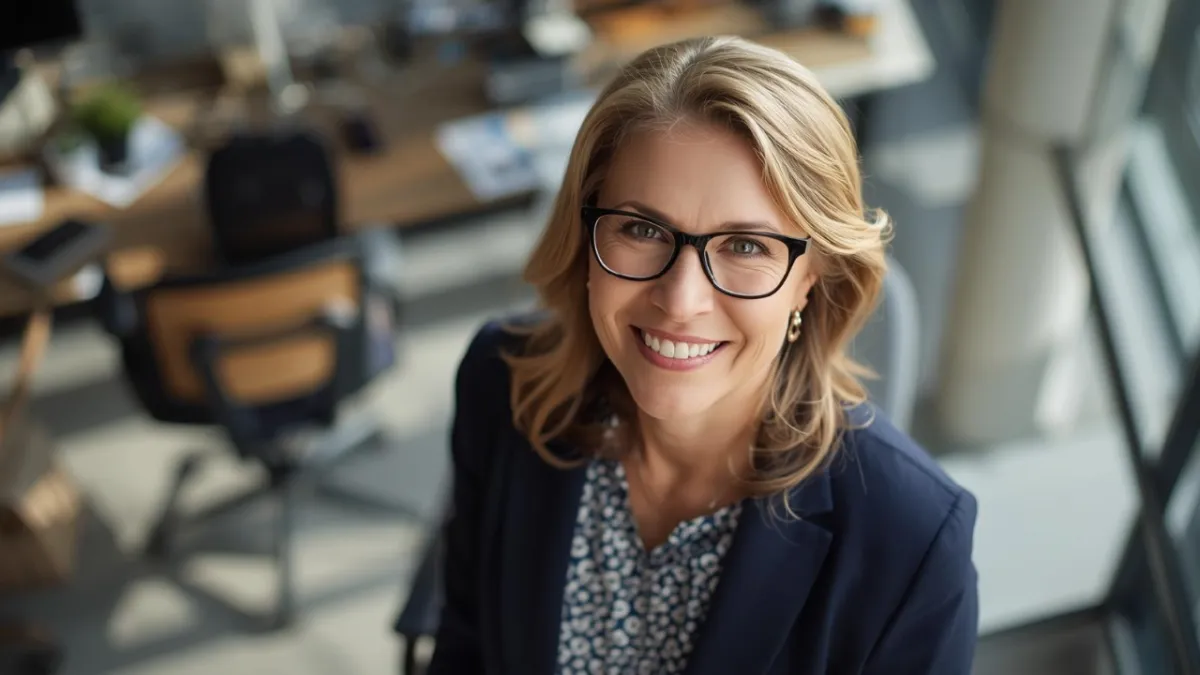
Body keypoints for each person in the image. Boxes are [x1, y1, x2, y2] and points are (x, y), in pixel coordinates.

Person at [427, 36, 979, 675]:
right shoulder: (503, 382)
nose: (680, 300)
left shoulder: (911, 537)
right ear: (585, 235)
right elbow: (464, 648)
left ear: (813, 275)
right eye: (641, 228)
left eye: (745, 246)